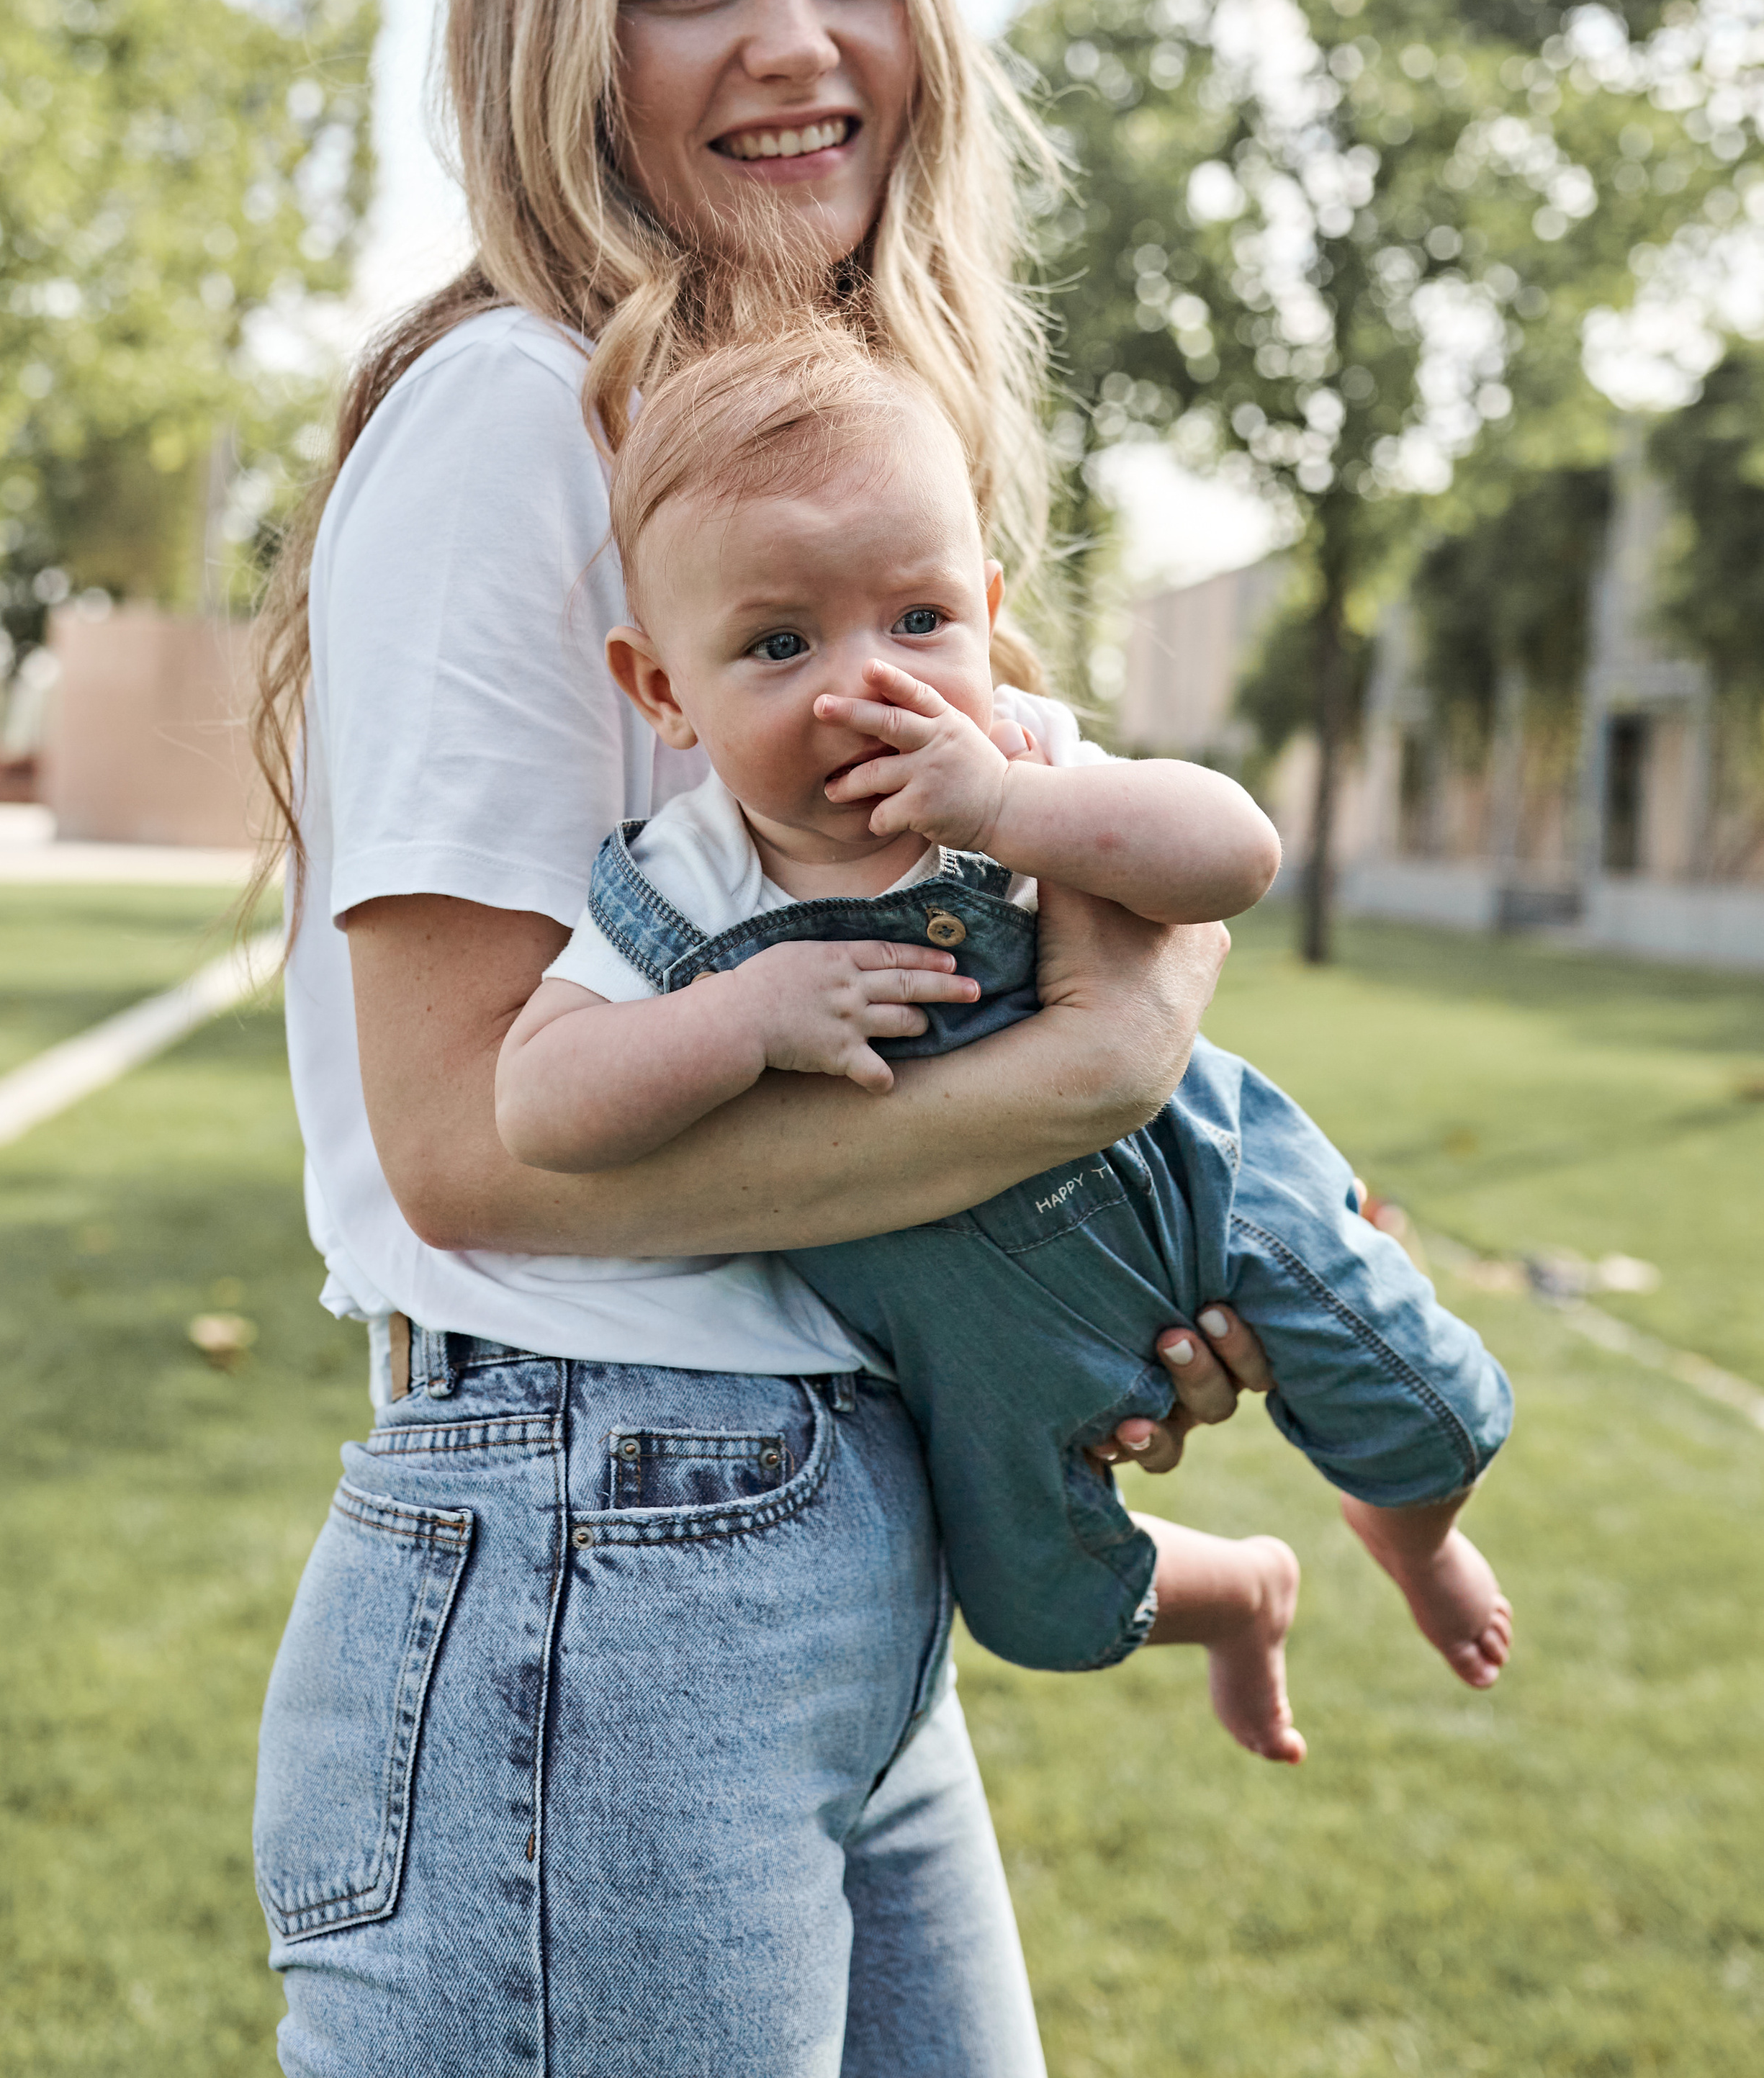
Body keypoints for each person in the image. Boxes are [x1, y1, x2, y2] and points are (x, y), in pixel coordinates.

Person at [246, 0, 1274, 2078]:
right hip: (598, 1557)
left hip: (813, 1535)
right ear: (555, 41)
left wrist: (1100, 1279)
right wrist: (1093, 1078)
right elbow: (467, 1146)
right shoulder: (526, 411)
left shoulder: (806, 464)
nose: (796, 44)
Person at [495, 325, 1516, 1768]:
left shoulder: (1025, 758)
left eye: (917, 620)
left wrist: (1011, 814)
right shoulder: (690, 886)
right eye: (780, 644)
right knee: (1036, 1604)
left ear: (985, 609)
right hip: (970, 1344)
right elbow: (535, 1106)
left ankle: (1410, 1540)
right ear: (662, 689)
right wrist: (737, 1017)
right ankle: (1238, 1594)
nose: (867, 684)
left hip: (1202, 1196)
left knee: (1423, 1405)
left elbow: (1234, 855)